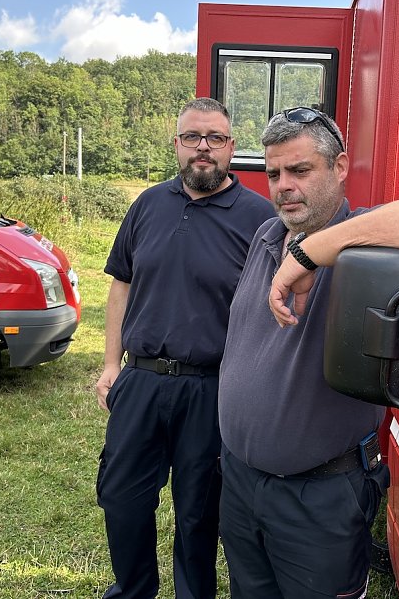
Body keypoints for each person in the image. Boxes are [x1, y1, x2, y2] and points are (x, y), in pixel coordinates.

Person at [217, 107, 399, 598]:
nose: (283, 186)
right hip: (242, 483)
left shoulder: (364, 242)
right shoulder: (266, 235)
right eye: (274, 173)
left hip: (318, 496)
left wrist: (307, 255)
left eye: (300, 170)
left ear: (340, 167)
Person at [95, 97, 275, 599]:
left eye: (215, 138)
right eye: (192, 137)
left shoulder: (260, 220)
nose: (203, 148)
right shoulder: (148, 205)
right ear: (176, 144)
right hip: (141, 379)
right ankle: (132, 590)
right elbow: (121, 286)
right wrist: (111, 365)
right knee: (121, 498)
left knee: (198, 512)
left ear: (231, 148)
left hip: (211, 390)